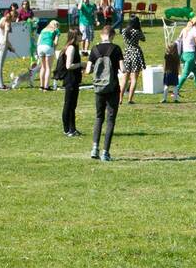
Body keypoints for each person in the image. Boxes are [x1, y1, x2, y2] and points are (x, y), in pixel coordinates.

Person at [88, 25, 124, 161]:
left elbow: (87, 70)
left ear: (101, 35)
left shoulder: (95, 49)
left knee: (98, 118)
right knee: (110, 120)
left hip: (98, 89)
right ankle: (105, 152)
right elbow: (123, 68)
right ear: (112, 35)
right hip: (112, 88)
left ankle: (94, 148)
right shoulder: (116, 49)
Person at [60, 28, 85, 137]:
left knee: (73, 105)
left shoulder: (75, 47)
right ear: (75, 36)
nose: (82, 36)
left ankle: (73, 128)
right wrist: (81, 64)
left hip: (74, 79)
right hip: (70, 79)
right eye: (80, 34)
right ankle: (67, 129)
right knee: (68, 104)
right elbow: (68, 66)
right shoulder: (71, 48)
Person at [176, 15, 196, 99]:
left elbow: (179, 40)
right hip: (190, 56)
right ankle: (176, 90)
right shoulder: (195, 31)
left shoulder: (184, 29)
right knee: (184, 75)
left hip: (184, 55)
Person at [120, 15, 146, 104]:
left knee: (124, 78)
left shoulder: (124, 31)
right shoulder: (137, 32)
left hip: (127, 53)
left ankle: (120, 99)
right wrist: (140, 29)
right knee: (134, 78)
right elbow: (143, 39)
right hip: (135, 53)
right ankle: (130, 99)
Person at [37, 19, 61, 91]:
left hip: (40, 47)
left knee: (43, 67)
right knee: (48, 68)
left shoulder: (43, 30)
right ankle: (46, 87)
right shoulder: (56, 30)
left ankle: (41, 86)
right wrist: (54, 49)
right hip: (48, 47)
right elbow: (56, 42)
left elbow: (38, 41)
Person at [0, 9, 14, 90]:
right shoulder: (8, 23)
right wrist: (11, 47)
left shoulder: (2, 19)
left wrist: (9, 46)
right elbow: (5, 39)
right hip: (3, 44)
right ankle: (0, 85)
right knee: (0, 65)